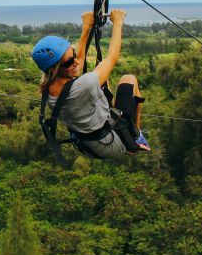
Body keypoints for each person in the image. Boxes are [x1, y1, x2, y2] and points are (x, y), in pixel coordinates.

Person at [32, 9, 150, 159]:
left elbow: (78, 62)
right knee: (129, 79)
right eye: (69, 61)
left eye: (73, 55)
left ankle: (128, 128)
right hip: (112, 144)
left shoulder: (48, 86)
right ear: (55, 70)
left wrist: (86, 27)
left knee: (103, 83)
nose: (75, 62)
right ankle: (136, 135)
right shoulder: (84, 85)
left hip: (88, 144)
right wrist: (118, 22)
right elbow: (111, 58)